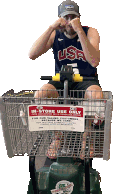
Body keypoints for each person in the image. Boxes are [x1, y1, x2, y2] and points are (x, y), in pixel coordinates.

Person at [28, 0, 103, 166]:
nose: (70, 21)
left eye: (73, 17)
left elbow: (94, 61)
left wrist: (79, 31)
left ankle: (87, 138)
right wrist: (51, 28)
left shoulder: (90, 32)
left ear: (79, 17)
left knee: (96, 95)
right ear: (60, 18)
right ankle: (57, 137)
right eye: (66, 17)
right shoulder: (55, 34)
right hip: (61, 79)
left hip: (86, 79)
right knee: (41, 93)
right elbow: (32, 54)